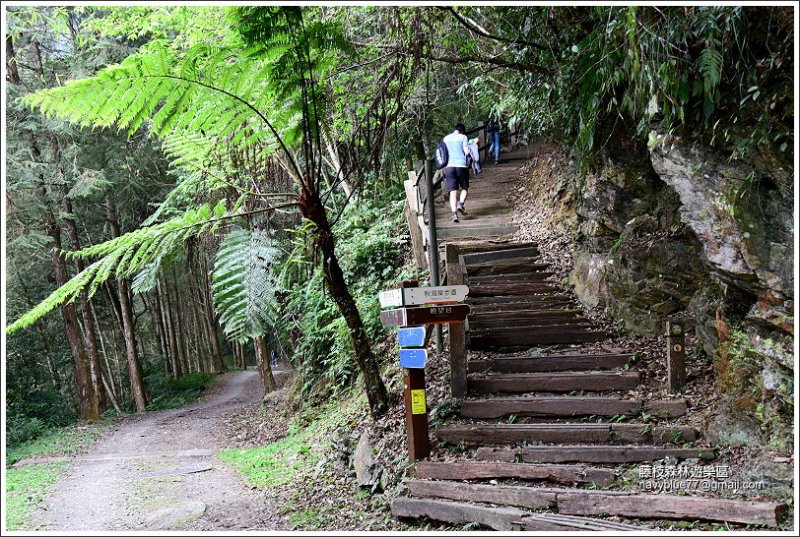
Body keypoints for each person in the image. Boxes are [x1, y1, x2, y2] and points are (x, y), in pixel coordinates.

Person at [442, 123, 471, 222]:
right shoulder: (463, 137)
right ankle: (461, 204)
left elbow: (443, 153)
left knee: (452, 192)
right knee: (464, 187)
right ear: (462, 131)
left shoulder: (446, 138)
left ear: (454, 129)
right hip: (461, 166)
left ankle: (454, 214)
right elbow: (466, 152)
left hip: (449, 167)